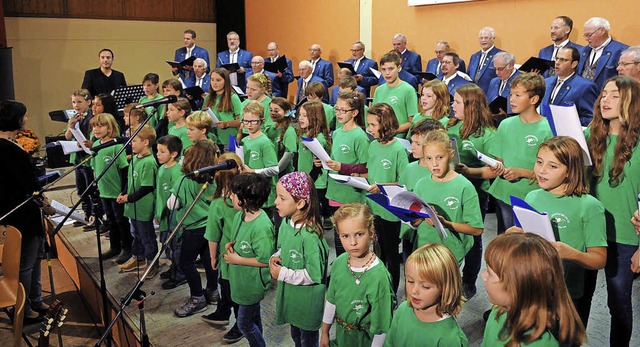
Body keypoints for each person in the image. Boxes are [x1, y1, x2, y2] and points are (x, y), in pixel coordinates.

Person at [511, 136, 607, 327]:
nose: (542, 170)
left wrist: (569, 253)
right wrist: (514, 235)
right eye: (539, 162)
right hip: (535, 287)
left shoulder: (589, 207)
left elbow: (599, 259)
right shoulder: (532, 197)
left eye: (553, 166)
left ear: (570, 172)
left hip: (569, 294)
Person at [587, 76, 640, 346]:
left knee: (618, 304)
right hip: (588, 231)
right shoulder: (589, 136)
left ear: (630, 101)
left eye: (614, 95)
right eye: (603, 94)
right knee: (577, 298)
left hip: (625, 239)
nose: (605, 100)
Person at [481, 233, 586, 346]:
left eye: (489, 273)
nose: (483, 276)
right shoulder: (498, 312)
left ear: (519, 286)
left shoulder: (541, 343)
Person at [320, 203, 395, 347]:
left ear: (371, 233)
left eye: (359, 234)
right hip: (342, 338)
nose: (352, 243)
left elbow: (381, 327)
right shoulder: (339, 263)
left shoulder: (379, 277)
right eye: (345, 236)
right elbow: (331, 300)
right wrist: (324, 333)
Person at [0, 100, 48, 324]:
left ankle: (36, 298)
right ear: (14, 120)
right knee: (26, 263)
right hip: (22, 212)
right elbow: (25, 182)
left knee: (37, 256)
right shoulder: (8, 149)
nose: (26, 119)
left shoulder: (12, 145)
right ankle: (24, 308)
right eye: (23, 116)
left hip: (27, 209)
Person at [487, 73, 554, 233]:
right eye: (511, 94)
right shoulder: (505, 124)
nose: (512, 99)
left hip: (532, 197)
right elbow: (499, 160)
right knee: (505, 242)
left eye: (518, 95)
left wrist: (522, 172)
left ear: (533, 99)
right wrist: (499, 168)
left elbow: (553, 172)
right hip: (504, 195)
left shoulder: (549, 129)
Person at [448, 84, 497, 298]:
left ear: (471, 107)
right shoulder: (450, 127)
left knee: (473, 239)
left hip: (476, 193)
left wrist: (469, 171)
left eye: (457, 102)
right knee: (450, 232)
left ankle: (468, 280)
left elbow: (494, 170)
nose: (452, 105)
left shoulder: (487, 134)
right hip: (449, 189)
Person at [270, 171, 329, 347]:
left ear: (301, 203)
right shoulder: (287, 224)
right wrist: (276, 256)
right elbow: (284, 248)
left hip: (306, 305)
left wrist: (282, 273)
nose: (275, 202)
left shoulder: (310, 237)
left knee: (307, 341)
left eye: (282, 198)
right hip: (293, 299)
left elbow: (313, 275)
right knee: (296, 338)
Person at [412, 129, 483, 264]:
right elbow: (414, 222)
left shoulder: (464, 186)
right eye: (429, 158)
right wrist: (419, 216)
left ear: (451, 155)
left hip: (450, 254)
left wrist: (445, 224)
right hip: (423, 251)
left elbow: (477, 229)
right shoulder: (421, 184)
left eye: (440, 157)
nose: (434, 164)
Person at [223, 172, 275, 347]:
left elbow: (265, 260)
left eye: (233, 193)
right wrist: (232, 246)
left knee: (244, 323)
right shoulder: (240, 215)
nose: (229, 196)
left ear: (244, 199)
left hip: (251, 283)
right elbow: (241, 240)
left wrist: (237, 259)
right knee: (254, 317)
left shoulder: (261, 227)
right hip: (240, 279)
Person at [169, 140, 220, 317]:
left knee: (186, 263)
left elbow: (172, 205)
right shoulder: (215, 180)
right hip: (211, 227)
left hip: (194, 228)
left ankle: (197, 297)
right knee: (210, 260)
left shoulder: (184, 181)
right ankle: (213, 292)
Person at [384, 243, 467, 346]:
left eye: (425, 286)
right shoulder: (403, 309)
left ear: (445, 287)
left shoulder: (450, 338)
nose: (414, 291)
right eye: (410, 281)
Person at [364, 103, 409, 293]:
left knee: (391, 253)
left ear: (386, 124)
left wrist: (382, 187)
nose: (369, 129)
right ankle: (379, 287)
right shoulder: (373, 145)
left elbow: (404, 181)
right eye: (368, 124)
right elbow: (370, 172)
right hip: (373, 205)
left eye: (373, 125)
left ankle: (391, 292)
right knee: (378, 249)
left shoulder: (398, 149)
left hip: (390, 208)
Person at [201, 153, 244, 344]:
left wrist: (212, 257)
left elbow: (213, 235)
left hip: (228, 256)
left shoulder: (218, 204)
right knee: (231, 290)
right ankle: (223, 312)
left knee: (230, 289)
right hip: (245, 254)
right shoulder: (247, 199)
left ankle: (240, 325)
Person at [324, 93, 370, 256]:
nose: (339, 113)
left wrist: (341, 167)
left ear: (355, 112)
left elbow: (365, 168)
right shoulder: (337, 132)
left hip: (351, 194)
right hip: (335, 190)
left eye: (344, 110)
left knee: (352, 237)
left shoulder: (359, 136)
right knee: (338, 236)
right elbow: (336, 160)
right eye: (337, 109)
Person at [117, 125, 159, 277]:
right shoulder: (135, 158)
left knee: (147, 236)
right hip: (132, 206)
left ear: (146, 142)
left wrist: (129, 197)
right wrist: (124, 192)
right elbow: (130, 180)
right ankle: (138, 258)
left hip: (143, 206)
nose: (131, 143)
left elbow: (147, 187)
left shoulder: (149, 162)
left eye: (134, 140)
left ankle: (152, 263)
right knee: (135, 234)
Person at [399, 119, 445, 260]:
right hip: (409, 231)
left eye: (418, 144)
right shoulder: (409, 168)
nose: (412, 146)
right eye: (412, 141)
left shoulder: (442, 172)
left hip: (432, 236)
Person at [89, 113, 132, 264]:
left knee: (121, 221)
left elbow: (124, 170)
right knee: (111, 220)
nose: (96, 129)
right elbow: (94, 167)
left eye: (100, 126)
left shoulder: (116, 146)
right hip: (104, 191)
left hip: (117, 192)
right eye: (94, 126)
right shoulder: (95, 145)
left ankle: (127, 247)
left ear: (110, 127)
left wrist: (124, 190)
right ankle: (115, 247)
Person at [239, 101, 279, 226]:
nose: (249, 125)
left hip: (264, 195)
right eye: (246, 121)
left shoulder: (265, 142)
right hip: (249, 191)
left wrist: (254, 172)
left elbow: (274, 169)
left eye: (253, 121)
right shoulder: (245, 140)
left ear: (262, 120)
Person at [65, 89, 100, 228]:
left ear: (88, 102)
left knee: (90, 189)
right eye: (73, 102)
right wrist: (71, 126)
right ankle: (86, 215)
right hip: (77, 158)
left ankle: (95, 217)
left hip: (87, 158)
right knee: (81, 189)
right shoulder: (74, 117)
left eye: (79, 102)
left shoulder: (92, 118)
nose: (76, 105)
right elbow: (67, 137)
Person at [154, 135, 185, 290]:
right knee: (167, 245)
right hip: (163, 217)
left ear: (173, 153)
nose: (158, 154)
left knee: (177, 248)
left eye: (162, 151)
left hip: (174, 219)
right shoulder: (161, 169)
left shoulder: (177, 171)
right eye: (157, 151)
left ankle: (180, 275)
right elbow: (159, 195)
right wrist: (157, 213)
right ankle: (174, 268)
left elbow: (176, 200)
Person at [541, 46, 599, 126]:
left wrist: (565, 122)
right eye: (556, 58)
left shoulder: (585, 87)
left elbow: (590, 118)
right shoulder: (547, 82)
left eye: (563, 60)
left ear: (574, 64)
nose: (557, 62)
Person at [297, 101, 332, 221]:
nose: (300, 118)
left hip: (315, 183)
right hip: (305, 179)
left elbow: (318, 166)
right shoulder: (305, 134)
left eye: (305, 116)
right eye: (300, 115)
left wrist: (307, 182)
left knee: (314, 216)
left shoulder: (319, 139)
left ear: (315, 117)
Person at [373, 51, 418, 138]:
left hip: (399, 140)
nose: (387, 73)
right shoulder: (378, 90)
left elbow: (412, 122)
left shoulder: (408, 90)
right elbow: (374, 116)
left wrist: (393, 130)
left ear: (399, 68)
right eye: (383, 69)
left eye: (391, 69)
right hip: (380, 138)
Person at [577, 17, 629, 91]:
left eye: (589, 35)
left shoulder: (621, 51)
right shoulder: (582, 51)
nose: (586, 39)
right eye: (585, 35)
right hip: (582, 97)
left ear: (602, 31)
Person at [202, 68, 242, 151]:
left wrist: (226, 124)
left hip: (228, 140)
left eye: (218, 80)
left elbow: (241, 121)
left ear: (225, 81)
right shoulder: (208, 97)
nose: (214, 83)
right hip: (212, 140)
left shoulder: (233, 98)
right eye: (212, 80)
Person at [468, 27, 504, 95]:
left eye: (486, 38)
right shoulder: (474, 56)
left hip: (490, 96)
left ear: (493, 39)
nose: (483, 40)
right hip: (473, 96)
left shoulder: (500, 55)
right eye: (481, 38)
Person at [267, 97, 296, 176]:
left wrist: (275, 171)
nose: (272, 113)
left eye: (276, 111)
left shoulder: (289, 131)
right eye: (271, 110)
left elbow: (288, 155)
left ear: (286, 112)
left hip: (283, 174)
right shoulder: (270, 128)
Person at [486, 51, 521, 116]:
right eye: (495, 69)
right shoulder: (494, 82)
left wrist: (506, 115)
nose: (497, 73)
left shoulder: (521, 81)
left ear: (511, 65)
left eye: (500, 69)